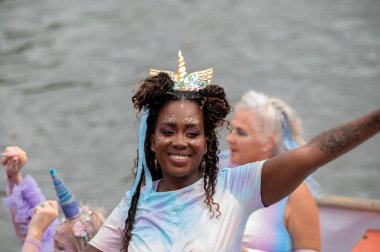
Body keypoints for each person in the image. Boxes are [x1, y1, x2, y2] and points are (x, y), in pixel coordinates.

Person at [86, 51, 380, 252]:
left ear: (206, 143)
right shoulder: (135, 202)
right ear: (151, 140)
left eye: (192, 133)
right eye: (167, 131)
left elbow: (314, 152)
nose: (179, 141)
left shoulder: (237, 187)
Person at [220, 90, 321, 251]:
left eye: (241, 133)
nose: (230, 138)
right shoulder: (214, 172)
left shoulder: (295, 191)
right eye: (231, 130)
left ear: (267, 141)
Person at [2, 146, 106, 251]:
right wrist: (14, 176)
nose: (53, 248)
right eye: (53, 241)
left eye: (61, 248)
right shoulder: (53, 240)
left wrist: (34, 234)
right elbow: (29, 213)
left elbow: (35, 232)